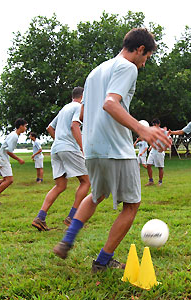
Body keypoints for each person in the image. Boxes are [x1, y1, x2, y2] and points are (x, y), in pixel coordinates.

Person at [52, 28, 171, 273]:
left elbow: (84, 113)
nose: (144, 63)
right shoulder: (127, 67)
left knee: (96, 195)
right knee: (131, 205)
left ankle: (68, 240)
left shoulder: (96, 72)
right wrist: (142, 129)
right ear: (140, 50)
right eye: (146, 57)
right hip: (117, 148)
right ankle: (103, 261)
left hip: (93, 148)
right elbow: (110, 103)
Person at [31, 87, 90, 231]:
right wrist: (83, 148)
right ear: (83, 96)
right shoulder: (79, 106)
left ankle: (40, 218)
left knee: (60, 185)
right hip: (69, 148)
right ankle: (72, 217)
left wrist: (59, 140)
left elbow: (50, 128)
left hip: (56, 148)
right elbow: (74, 126)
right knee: (86, 181)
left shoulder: (64, 108)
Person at [145, 119, 166, 186]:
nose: (154, 126)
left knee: (160, 167)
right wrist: (151, 146)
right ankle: (151, 181)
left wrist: (164, 148)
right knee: (148, 165)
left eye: (155, 124)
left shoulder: (163, 131)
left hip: (159, 151)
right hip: (153, 151)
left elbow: (170, 139)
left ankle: (160, 182)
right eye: (153, 124)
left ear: (158, 124)